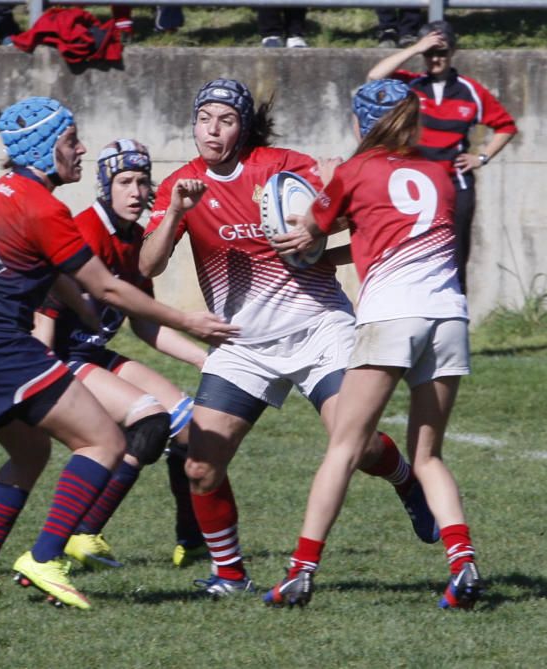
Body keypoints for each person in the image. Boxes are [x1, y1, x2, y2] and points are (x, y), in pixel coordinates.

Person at [138, 78, 439, 600]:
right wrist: (175, 214)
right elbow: (148, 264)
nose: (212, 129)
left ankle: (406, 481)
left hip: (319, 326)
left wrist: (318, 222)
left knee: (359, 443)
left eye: (225, 119)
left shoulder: (283, 166)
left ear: (244, 127)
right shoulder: (181, 184)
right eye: (204, 117)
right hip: (243, 345)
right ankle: (229, 575)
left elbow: (347, 212)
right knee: (200, 465)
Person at [0, 97, 238, 609]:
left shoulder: (2, 193)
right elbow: (111, 289)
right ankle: (47, 555)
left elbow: (56, 273)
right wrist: (189, 321)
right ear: (48, 148)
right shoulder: (44, 206)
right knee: (103, 443)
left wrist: (89, 313)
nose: (81, 150)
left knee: (29, 453)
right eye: (72, 141)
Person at [264, 81, 479, 610]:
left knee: (343, 446)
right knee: (428, 455)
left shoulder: (354, 171)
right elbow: (383, 224)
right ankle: (464, 563)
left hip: (391, 316)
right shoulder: (441, 172)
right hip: (449, 315)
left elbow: (306, 225)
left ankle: (300, 572)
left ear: (361, 124)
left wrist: (330, 180)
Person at [32, 139, 206, 570]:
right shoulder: (86, 231)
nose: (135, 191)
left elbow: (144, 323)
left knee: (188, 424)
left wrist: (204, 359)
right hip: (62, 356)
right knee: (150, 420)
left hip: (94, 352)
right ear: (104, 187)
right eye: (124, 181)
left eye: (142, 181)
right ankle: (85, 532)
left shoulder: (133, 238)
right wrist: (39, 382)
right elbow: (45, 313)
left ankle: (191, 540)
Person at [367, 19, 518, 293]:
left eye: (441, 52)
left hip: (455, 185)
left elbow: (506, 127)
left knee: (456, 254)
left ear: (453, 52)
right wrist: (415, 47)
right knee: (412, 252)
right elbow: (374, 79)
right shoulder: (410, 86)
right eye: (430, 53)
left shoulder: (470, 90)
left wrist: (481, 157)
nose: (435, 59)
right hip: (413, 186)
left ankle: (457, 314)